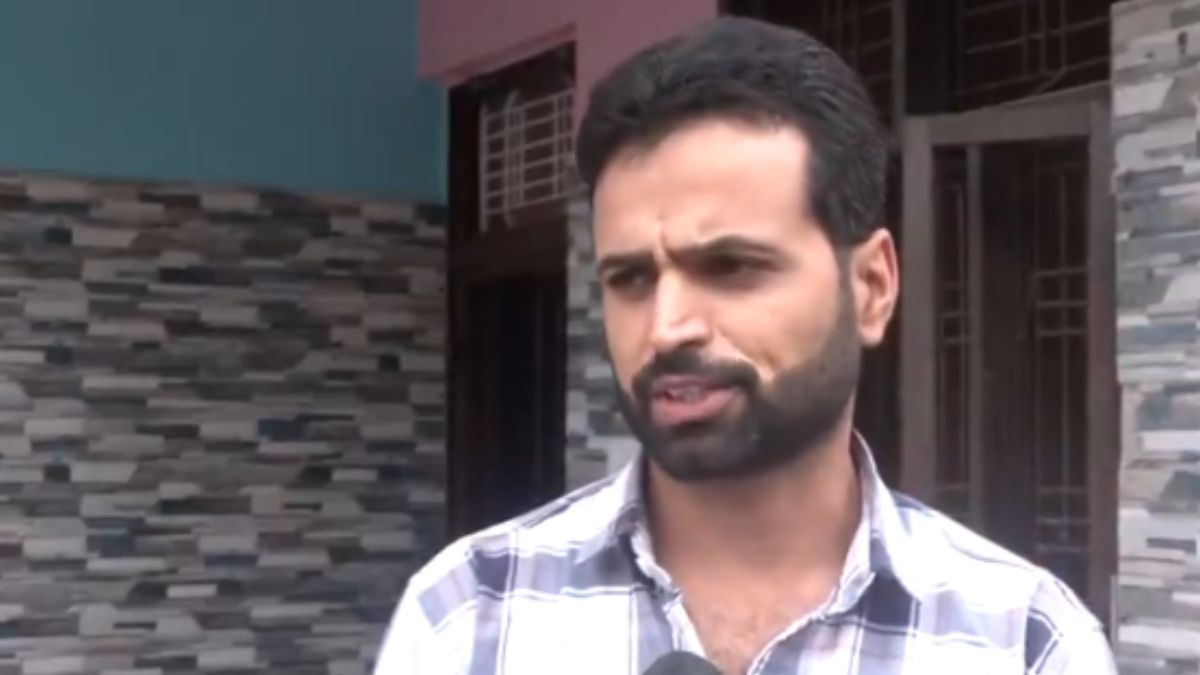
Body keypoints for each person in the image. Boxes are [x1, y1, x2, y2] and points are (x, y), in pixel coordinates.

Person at [373, 16, 1117, 675]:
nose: (667, 326)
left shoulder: (1023, 643)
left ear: (871, 287)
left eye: (730, 267)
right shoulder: (471, 616)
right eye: (631, 278)